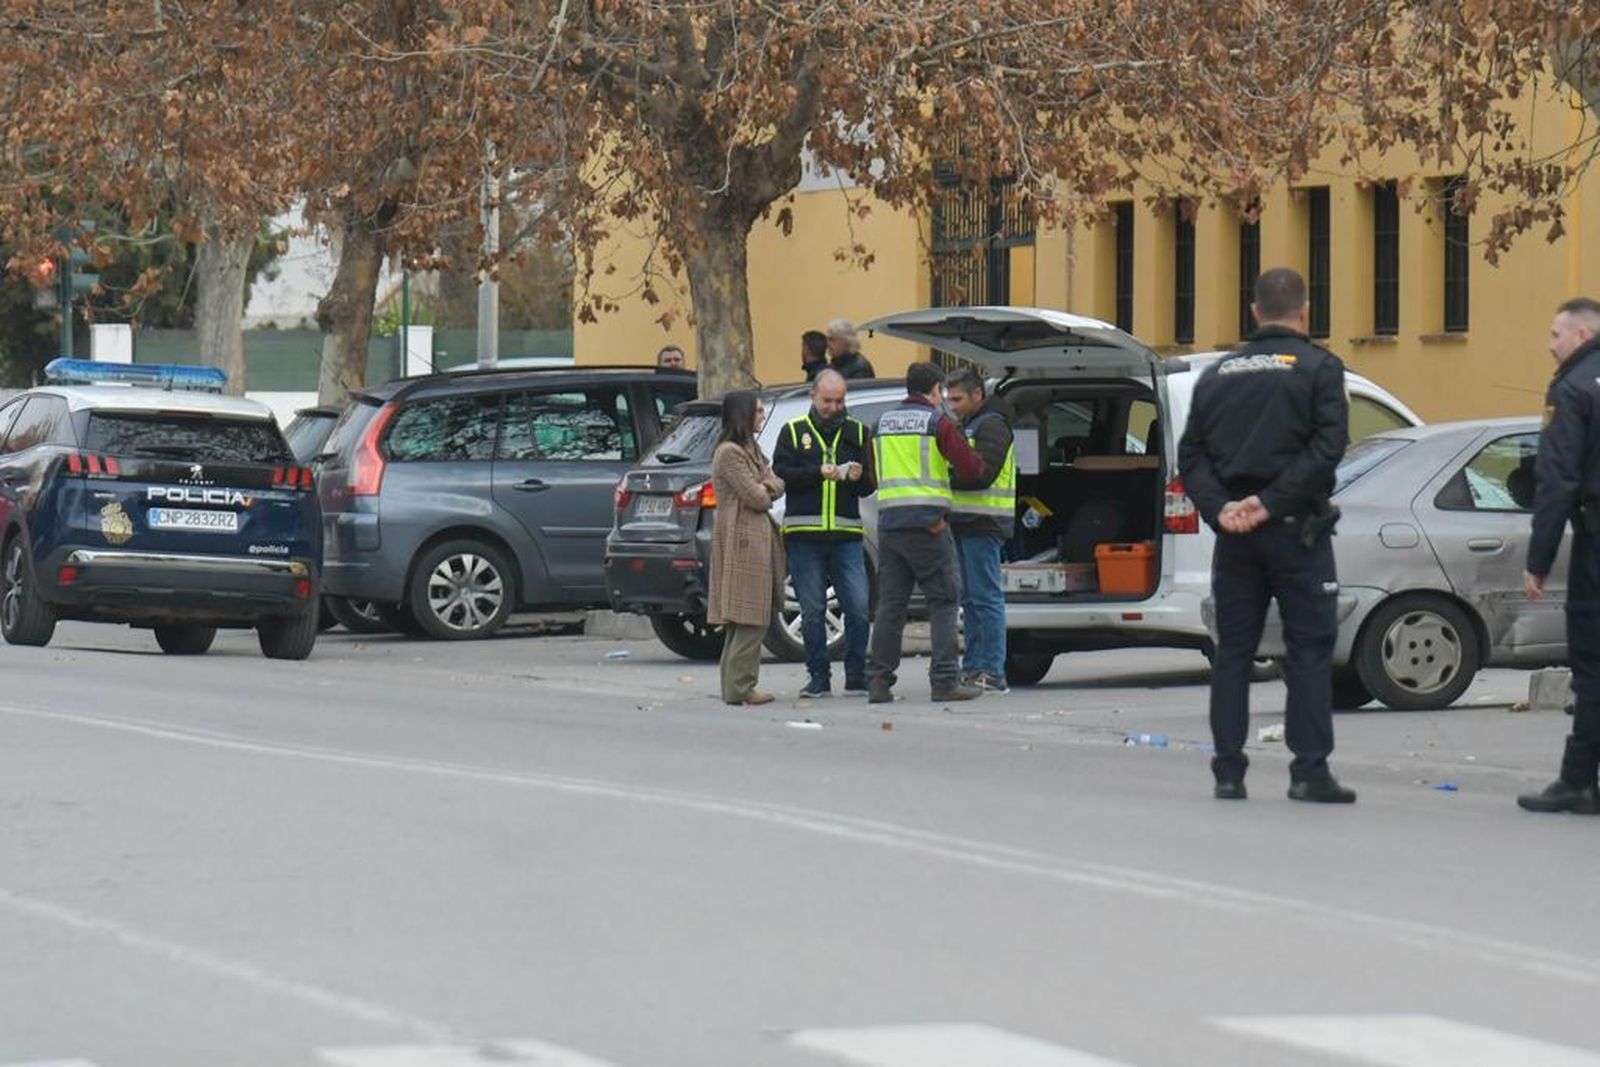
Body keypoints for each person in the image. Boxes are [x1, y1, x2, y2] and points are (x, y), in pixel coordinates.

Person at [1178, 267, 1355, 804]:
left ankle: (1227, 772)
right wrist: (1270, 503)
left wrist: (1223, 508)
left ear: (1254, 313)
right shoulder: (1320, 369)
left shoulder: (1218, 374)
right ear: (1305, 313)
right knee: (1309, 649)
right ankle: (1309, 772)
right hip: (1295, 531)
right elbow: (1328, 449)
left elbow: (1192, 455)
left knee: (1233, 652)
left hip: (1235, 536)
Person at [1519, 297, 1600, 814]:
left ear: (1582, 336)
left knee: (1591, 666)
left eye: (1555, 335)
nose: (1550, 345)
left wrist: (1539, 559)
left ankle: (1577, 781)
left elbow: (1557, 481)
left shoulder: (1571, 389)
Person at [867, 361, 986, 703]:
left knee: (891, 605)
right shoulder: (938, 422)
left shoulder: (881, 424)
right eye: (942, 394)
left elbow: (875, 473)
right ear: (934, 390)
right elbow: (972, 467)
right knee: (945, 599)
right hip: (929, 524)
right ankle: (945, 681)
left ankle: (879, 681)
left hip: (890, 523)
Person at [771, 370, 876, 698]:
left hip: (846, 536)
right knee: (812, 610)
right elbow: (782, 472)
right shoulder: (793, 431)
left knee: (858, 608)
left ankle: (856, 675)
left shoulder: (859, 432)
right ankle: (819, 676)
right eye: (828, 401)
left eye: (840, 401)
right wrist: (817, 472)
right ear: (813, 397)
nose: (835, 407)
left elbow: (869, 486)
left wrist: (857, 476)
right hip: (805, 535)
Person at [707, 391, 784, 706]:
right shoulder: (730, 453)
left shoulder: (750, 448)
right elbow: (758, 497)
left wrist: (769, 484)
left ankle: (736, 686)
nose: (762, 416)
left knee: (749, 616)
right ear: (743, 414)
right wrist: (768, 485)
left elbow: (775, 480)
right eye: (759, 411)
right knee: (749, 617)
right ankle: (740, 687)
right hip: (742, 537)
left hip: (753, 535)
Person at [946, 366, 1016, 694]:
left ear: (978, 395)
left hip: (984, 521)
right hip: (965, 521)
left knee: (985, 598)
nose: (952, 405)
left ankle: (992, 670)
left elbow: (983, 474)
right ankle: (974, 666)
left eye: (958, 399)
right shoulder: (971, 424)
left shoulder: (993, 426)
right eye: (949, 399)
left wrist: (943, 478)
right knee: (971, 600)